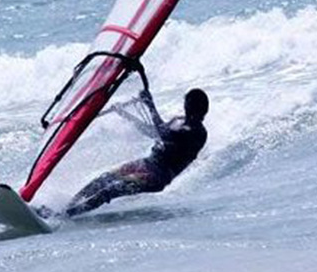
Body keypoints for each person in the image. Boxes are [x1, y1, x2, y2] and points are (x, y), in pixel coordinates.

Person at [63, 88, 209, 217]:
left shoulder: (197, 132)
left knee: (110, 189)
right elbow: (152, 132)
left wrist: (150, 105)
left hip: (157, 176)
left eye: (189, 104)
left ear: (196, 108)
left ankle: (66, 216)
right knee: (104, 179)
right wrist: (125, 114)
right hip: (147, 163)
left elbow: (163, 133)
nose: (186, 106)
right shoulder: (178, 121)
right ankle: (66, 208)